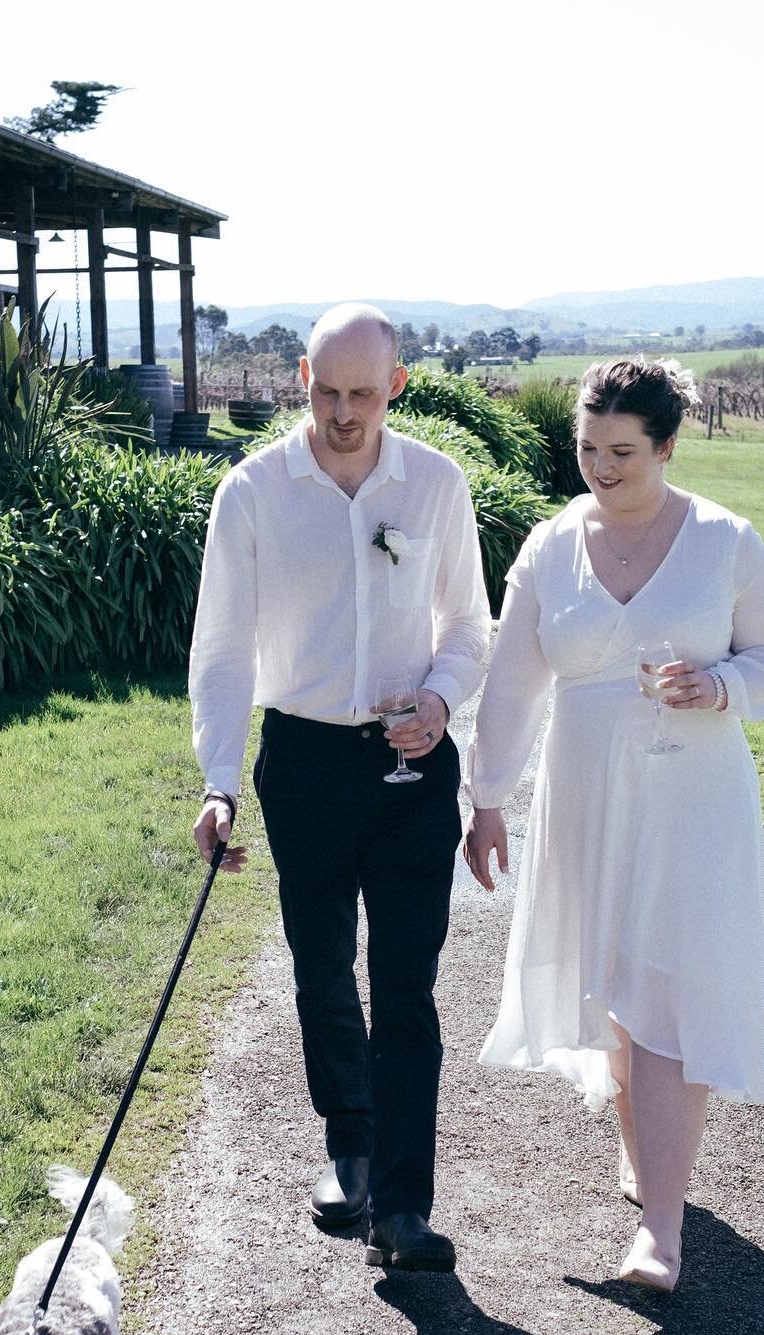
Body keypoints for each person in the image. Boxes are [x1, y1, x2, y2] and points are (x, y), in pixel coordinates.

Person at [463, 358, 764, 1293]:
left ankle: (662, 1230)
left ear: (665, 446)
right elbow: (512, 681)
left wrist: (723, 684)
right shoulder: (547, 544)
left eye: (622, 451)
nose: (601, 468)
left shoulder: (725, 540)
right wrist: (487, 797)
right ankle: (648, 1160)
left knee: (669, 989)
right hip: (583, 793)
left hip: (694, 800)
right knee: (612, 985)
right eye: (587, 448)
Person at [189, 303, 490, 1272]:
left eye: (364, 392)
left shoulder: (437, 486)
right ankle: (349, 1146)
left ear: (395, 386)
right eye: (328, 391)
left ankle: (404, 1207)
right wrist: (219, 782)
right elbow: (224, 649)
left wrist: (441, 704)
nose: (345, 412)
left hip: (410, 765)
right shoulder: (252, 494)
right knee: (321, 963)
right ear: (301, 379)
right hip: (306, 760)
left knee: (407, 982)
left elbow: (468, 629)